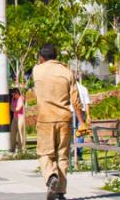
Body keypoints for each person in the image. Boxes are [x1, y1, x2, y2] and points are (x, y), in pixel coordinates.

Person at [33, 44, 87, 200]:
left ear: (41, 58)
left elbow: (39, 67)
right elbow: (76, 101)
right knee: (62, 156)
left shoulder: (37, 70)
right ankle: (60, 191)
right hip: (64, 118)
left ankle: (51, 177)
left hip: (45, 119)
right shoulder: (67, 72)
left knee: (45, 154)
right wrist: (82, 122)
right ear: (56, 56)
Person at [74, 77, 91, 161]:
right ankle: (78, 153)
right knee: (81, 131)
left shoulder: (68, 88)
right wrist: (88, 115)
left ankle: (75, 152)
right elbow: (87, 103)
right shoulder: (83, 88)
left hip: (72, 111)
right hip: (82, 112)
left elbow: (87, 103)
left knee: (72, 132)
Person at [11, 88, 26, 153]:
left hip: (21, 118)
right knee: (13, 132)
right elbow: (11, 108)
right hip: (15, 118)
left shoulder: (21, 99)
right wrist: (14, 109)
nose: (13, 96)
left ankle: (21, 149)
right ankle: (12, 148)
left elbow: (18, 109)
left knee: (20, 133)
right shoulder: (13, 99)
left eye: (14, 94)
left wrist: (14, 109)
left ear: (17, 93)